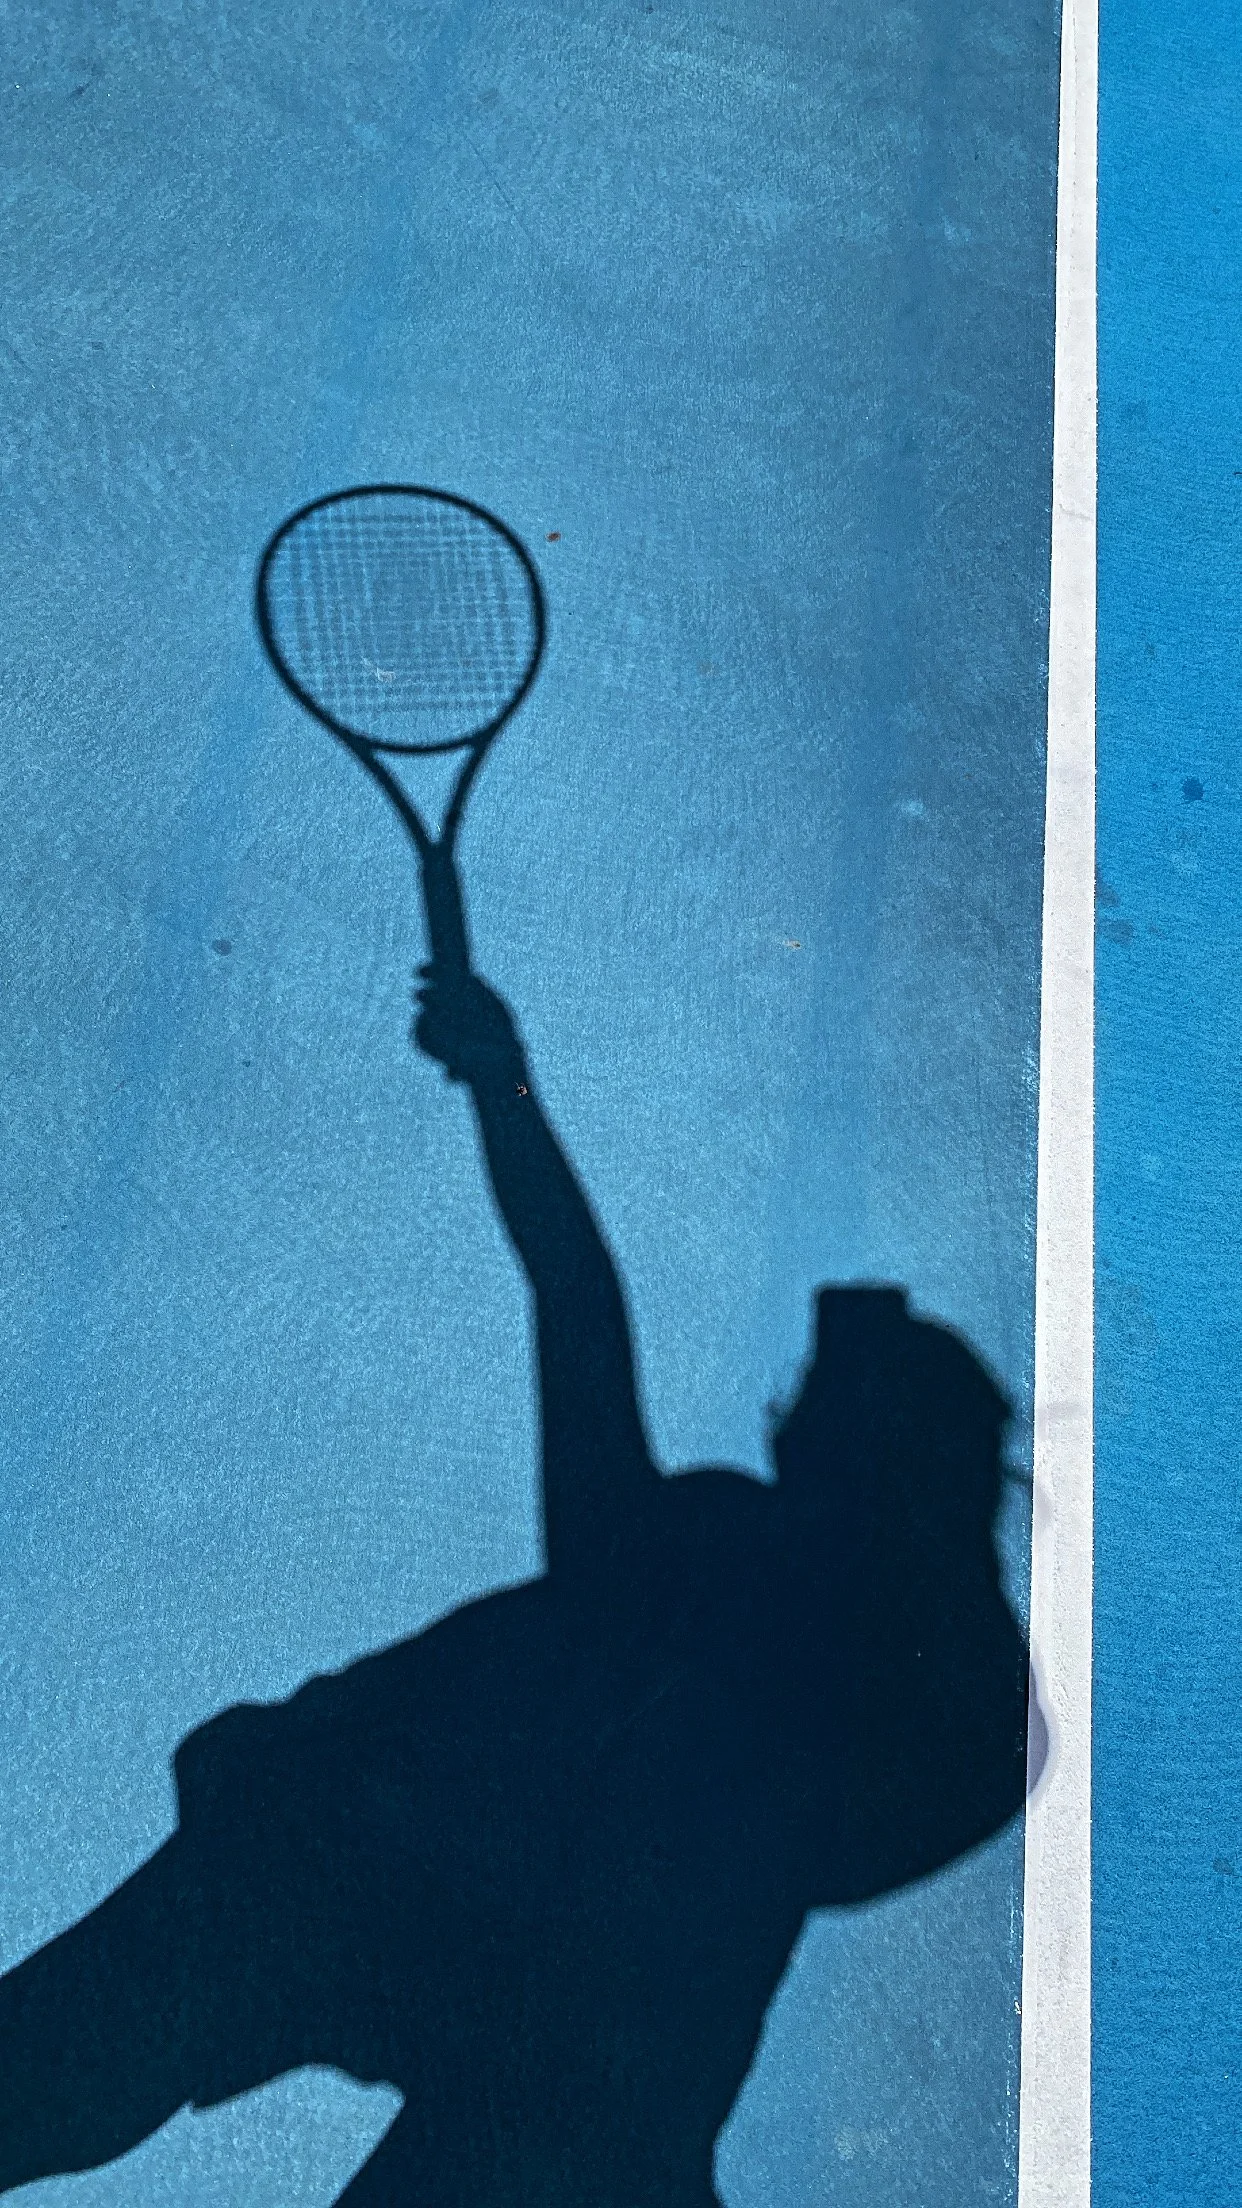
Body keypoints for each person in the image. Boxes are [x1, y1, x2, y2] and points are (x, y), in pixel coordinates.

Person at [0, 959, 1040, 2205]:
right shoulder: (757, 1594)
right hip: (432, 1918)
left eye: (821, 1406)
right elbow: (578, 1306)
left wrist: (504, 1084)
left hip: (465, 1944)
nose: (792, 1416)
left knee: (98, 2037)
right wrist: (504, 1086)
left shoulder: (774, 1606)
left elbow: (578, 1307)